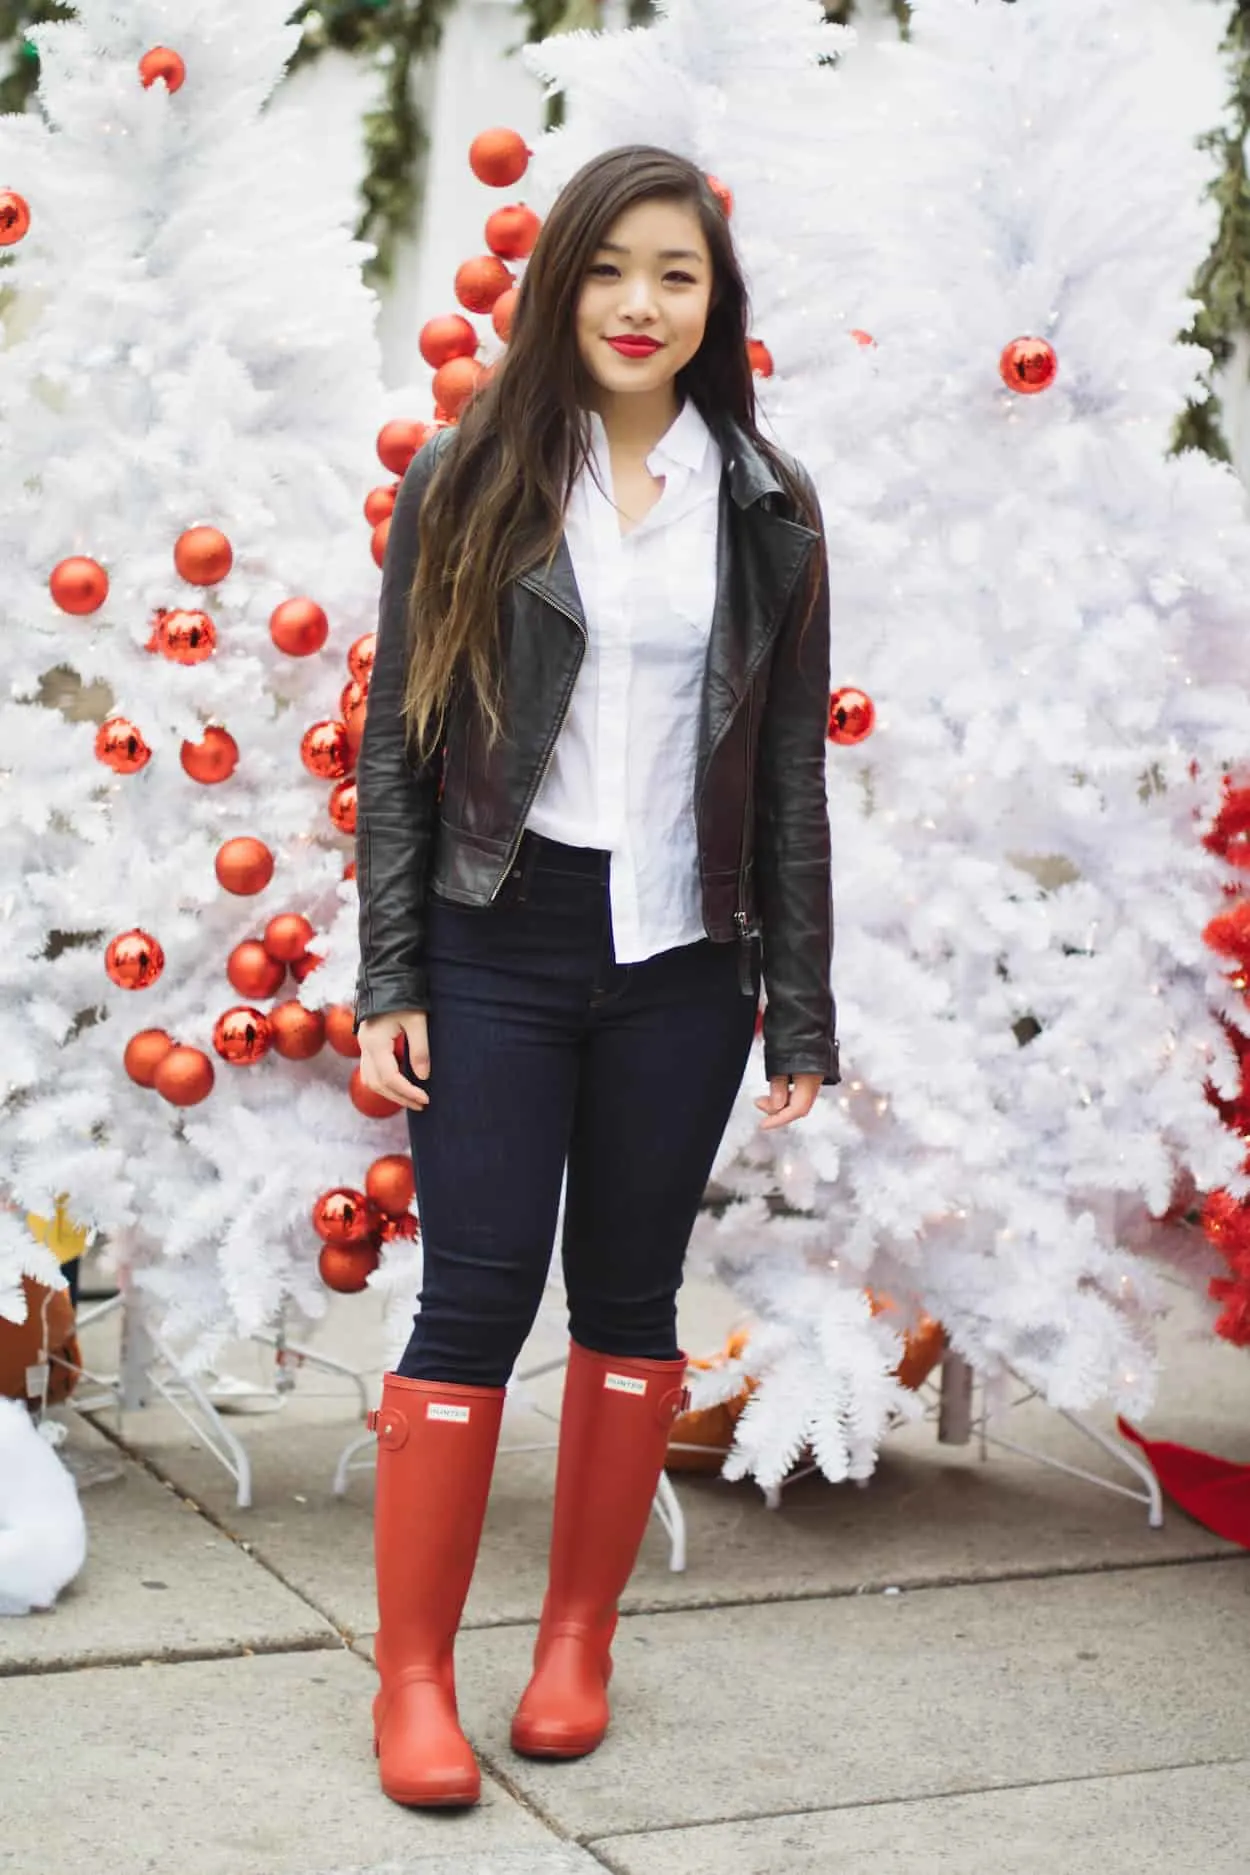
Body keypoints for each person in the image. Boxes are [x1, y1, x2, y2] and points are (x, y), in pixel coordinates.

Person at [353, 143, 839, 1810]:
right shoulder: (473, 472)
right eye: (613, 267)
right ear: (560, 281)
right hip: (498, 942)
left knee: (630, 1304)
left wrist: (803, 1007)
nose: (642, 303)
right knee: (471, 1303)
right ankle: (412, 1681)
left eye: (677, 274)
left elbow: (785, 766)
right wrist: (392, 970)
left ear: (715, 303)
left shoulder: (765, 501)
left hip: (686, 962)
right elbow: (398, 746)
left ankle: (576, 1644)